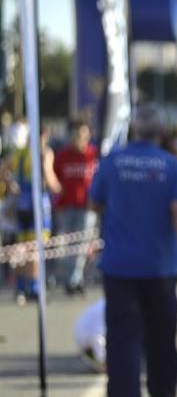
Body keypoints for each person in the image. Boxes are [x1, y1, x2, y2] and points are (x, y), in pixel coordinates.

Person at [89, 104, 177, 397]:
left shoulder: (112, 161)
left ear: (134, 130)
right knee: (162, 340)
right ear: (161, 133)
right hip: (160, 267)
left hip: (120, 266)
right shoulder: (171, 166)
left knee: (122, 342)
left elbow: (95, 202)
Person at [5, 126, 61, 303]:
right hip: (39, 204)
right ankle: (34, 288)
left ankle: (20, 287)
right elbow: (49, 176)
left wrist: (13, 185)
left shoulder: (19, 153)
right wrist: (58, 188)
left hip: (22, 204)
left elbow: (2, 170)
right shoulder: (44, 153)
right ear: (44, 135)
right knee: (36, 247)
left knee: (22, 247)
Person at [53, 120, 99, 294]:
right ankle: (69, 278)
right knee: (65, 246)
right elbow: (55, 179)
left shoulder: (93, 154)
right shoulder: (63, 155)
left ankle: (74, 280)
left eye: (83, 134)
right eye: (77, 134)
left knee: (82, 246)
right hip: (66, 207)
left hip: (87, 207)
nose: (80, 138)